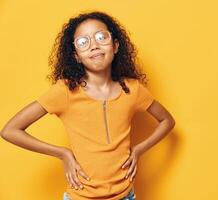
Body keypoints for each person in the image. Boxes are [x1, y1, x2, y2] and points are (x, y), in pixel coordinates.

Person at [0, 11, 176, 200]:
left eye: (101, 37)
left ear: (116, 46)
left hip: (126, 195)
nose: (94, 46)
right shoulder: (65, 91)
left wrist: (139, 149)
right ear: (76, 56)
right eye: (84, 42)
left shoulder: (132, 90)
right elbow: (10, 130)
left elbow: (167, 120)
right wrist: (62, 153)